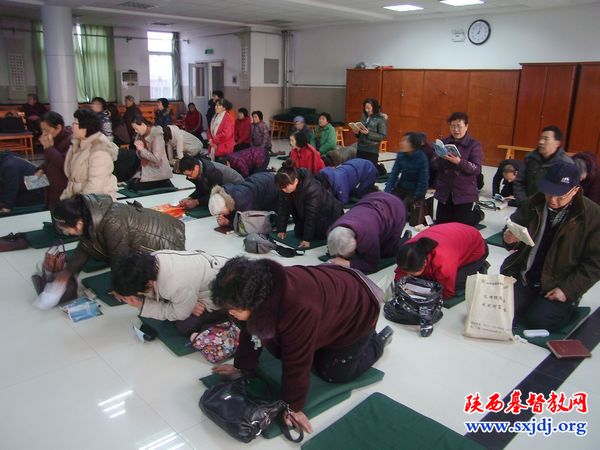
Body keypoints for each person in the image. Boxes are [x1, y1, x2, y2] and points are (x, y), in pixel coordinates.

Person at [210, 257, 393, 434]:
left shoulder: (298, 308)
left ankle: (377, 341)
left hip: (358, 308)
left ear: (256, 304)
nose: (231, 313)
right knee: (300, 344)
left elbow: (297, 361)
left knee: (333, 373)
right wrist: (242, 367)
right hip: (331, 298)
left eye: (234, 309)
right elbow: (251, 331)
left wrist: (293, 406)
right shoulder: (259, 285)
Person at [501, 162, 600, 330]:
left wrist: (567, 290)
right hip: (527, 276)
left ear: (575, 190)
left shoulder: (592, 216)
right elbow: (514, 224)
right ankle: (532, 302)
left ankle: (570, 305)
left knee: (539, 321)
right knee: (504, 312)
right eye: (549, 193)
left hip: (558, 283)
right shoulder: (535, 201)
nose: (552, 200)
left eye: (560, 196)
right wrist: (509, 237)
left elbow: (595, 263)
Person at [51, 194, 185, 283]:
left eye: (65, 229)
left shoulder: (112, 221)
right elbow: (85, 246)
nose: (65, 233)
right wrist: (68, 272)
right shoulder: (91, 215)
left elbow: (120, 257)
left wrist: (119, 287)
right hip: (159, 234)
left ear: (79, 223)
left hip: (166, 242)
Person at [113, 251, 227, 335]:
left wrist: (141, 305)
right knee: (174, 310)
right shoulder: (151, 261)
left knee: (185, 325)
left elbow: (180, 314)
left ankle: (225, 317)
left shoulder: (174, 284)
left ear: (148, 284)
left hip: (221, 292)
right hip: (207, 276)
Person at [395, 223, 489, 300]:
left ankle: (480, 266)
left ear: (424, 263)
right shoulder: (408, 250)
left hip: (475, 248)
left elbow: (447, 293)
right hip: (456, 237)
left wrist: (422, 295)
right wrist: (400, 285)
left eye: (414, 272)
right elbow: (401, 272)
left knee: (454, 283)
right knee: (424, 279)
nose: (408, 273)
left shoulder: (443, 259)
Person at [327, 192, 407, 274]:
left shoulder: (368, 236)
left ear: (355, 242)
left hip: (395, 207)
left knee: (387, 252)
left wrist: (347, 263)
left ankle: (406, 239)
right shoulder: (332, 230)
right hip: (373, 200)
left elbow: (372, 264)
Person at [275, 159, 344, 249]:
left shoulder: (312, 189)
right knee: (298, 232)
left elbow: (311, 215)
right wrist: (281, 229)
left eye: (285, 186)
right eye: (281, 187)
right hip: (310, 215)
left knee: (319, 235)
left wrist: (307, 239)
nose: (284, 189)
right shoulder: (285, 186)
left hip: (329, 216)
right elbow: (283, 208)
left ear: (296, 181)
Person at [432, 112, 484, 227]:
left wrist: (459, 162)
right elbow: (434, 165)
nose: (456, 130)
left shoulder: (474, 145)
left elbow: (476, 169)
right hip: (445, 191)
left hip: (464, 192)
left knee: (460, 225)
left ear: (466, 126)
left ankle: (478, 214)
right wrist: (441, 157)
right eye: (453, 126)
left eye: (459, 126)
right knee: (441, 223)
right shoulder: (444, 142)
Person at [61, 109, 118, 201]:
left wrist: (79, 206)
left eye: (75, 123)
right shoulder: (77, 145)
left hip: (97, 204)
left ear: (85, 128)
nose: (72, 126)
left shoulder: (100, 150)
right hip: (77, 198)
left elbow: (95, 186)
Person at [512, 125, 573, 205]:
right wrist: (523, 203)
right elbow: (519, 182)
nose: (541, 142)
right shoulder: (530, 158)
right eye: (541, 138)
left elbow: (568, 192)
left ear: (557, 143)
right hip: (527, 206)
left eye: (546, 139)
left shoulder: (566, 164)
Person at [208, 172, 279, 227]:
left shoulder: (242, 201)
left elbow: (249, 223)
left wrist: (229, 222)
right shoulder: (226, 193)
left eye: (222, 213)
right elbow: (234, 211)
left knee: (272, 219)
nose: (221, 215)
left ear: (226, 206)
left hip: (272, 187)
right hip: (262, 180)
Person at [35, 112, 72, 209]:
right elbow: (49, 160)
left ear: (58, 127)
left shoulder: (70, 141)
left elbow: (65, 165)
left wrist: (49, 148)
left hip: (64, 192)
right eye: (42, 130)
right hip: (51, 190)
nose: (44, 133)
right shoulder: (53, 139)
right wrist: (42, 168)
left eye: (46, 130)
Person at [385, 132, 430, 210]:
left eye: (405, 141)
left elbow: (423, 181)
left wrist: (416, 197)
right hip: (402, 186)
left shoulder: (422, 158)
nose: (401, 143)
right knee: (390, 202)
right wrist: (387, 191)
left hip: (415, 190)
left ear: (413, 144)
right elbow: (394, 174)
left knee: (403, 206)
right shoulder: (401, 155)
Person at [177, 155, 243, 208]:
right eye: (186, 175)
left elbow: (215, 194)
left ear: (196, 167)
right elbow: (201, 189)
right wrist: (190, 198)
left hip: (237, 191)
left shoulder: (212, 172)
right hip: (223, 188)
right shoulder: (199, 168)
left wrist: (196, 202)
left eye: (189, 175)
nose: (189, 177)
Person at [130, 117, 173, 191]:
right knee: (131, 184)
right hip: (147, 169)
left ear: (143, 125)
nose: (135, 131)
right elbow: (140, 156)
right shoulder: (139, 136)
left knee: (135, 186)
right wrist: (138, 150)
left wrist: (142, 149)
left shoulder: (156, 135)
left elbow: (156, 159)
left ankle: (164, 182)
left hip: (158, 170)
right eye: (134, 129)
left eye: (136, 129)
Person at [355, 98, 387, 168]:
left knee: (370, 170)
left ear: (374, 108)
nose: (367, 110)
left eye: (368, 108)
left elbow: (382, 136)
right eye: (365, 108)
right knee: (359, 168)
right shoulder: (364, 116)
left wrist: (368, 133)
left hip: (371, 149)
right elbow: (360, 133)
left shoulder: (380, 119)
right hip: (360, 147)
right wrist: (356, 132)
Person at [208, 98, 235, 163]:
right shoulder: (215, 116)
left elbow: (226, 134)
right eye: (215, 105)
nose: (215, 107)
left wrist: (213, 141)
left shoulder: (228, 118)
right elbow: (210, 130)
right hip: (214, 144)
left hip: (222, 147)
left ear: (224, 108)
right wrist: (210, 139)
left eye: (218, 105)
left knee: (222, 167)